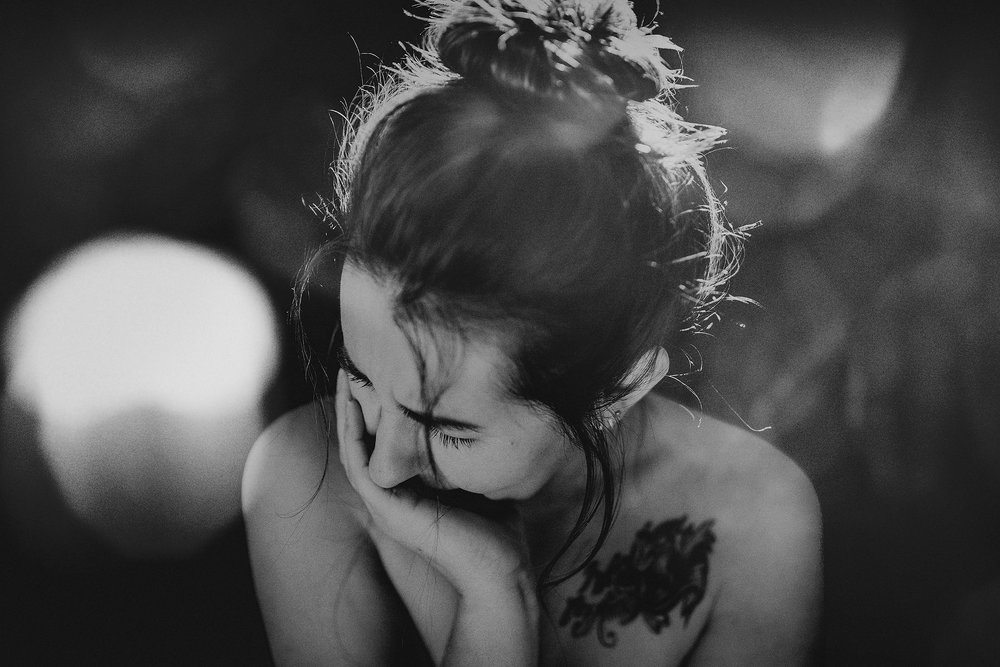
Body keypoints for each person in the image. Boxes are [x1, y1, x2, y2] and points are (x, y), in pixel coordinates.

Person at [242, 1, 822, 664]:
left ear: (619, 387)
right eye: (365, 379)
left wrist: (500, 590)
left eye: (448, 430)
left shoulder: (751, 521)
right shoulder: (305, 478)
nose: (381, 467)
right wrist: (490, 597)